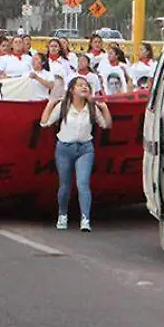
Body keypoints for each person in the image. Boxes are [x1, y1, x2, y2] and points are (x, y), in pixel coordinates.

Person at [39, 76, 113, 232]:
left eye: (86, 85)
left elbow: (106, 125)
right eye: (80, 86)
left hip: (85, 149)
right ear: (72, 90)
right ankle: (62, 215)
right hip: (64, 148)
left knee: (83, 184)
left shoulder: (92, 107)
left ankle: (85, 218)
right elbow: (44, 123)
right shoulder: (63, 106)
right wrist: (51, 103)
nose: (84, 88)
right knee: (65, 186)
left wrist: (104, 108)